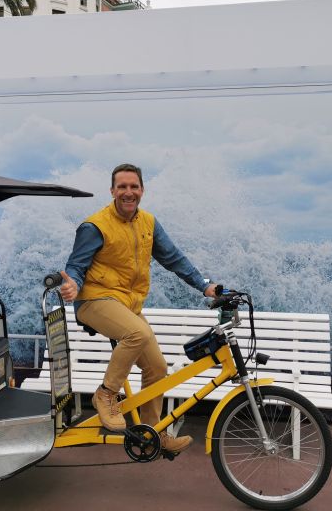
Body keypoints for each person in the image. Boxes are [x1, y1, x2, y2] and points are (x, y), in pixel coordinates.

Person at [59, 163, 217, 455]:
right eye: (122, 187)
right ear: (112, 191)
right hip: (94, 300)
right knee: (137, 333)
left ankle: (152, 433)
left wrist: (204, 285)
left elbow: (174, 258)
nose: (128, 192)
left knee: (157, 368)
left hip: (127, 304)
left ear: (142, 190)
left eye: (134, 187)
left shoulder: (148, 223)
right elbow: (75, 267)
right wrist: (73, 286)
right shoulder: (95, 226)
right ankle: (106, 395)